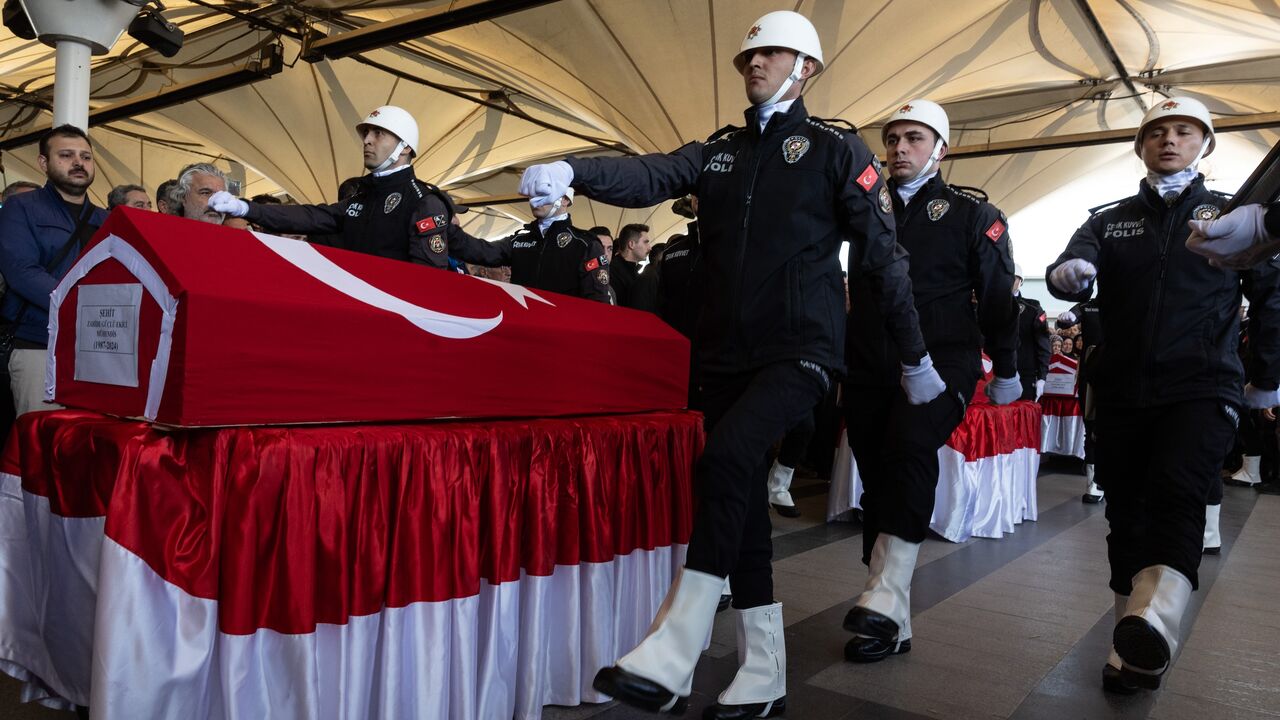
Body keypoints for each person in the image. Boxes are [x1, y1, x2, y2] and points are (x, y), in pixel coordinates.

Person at [520, 11, 943, 718]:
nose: (754, 62)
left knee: (724, 461)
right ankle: (765, 671)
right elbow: (653, 173)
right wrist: (577, 168)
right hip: (723, 356)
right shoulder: (719, 153)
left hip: (800, 348)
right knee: (741, 508)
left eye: (772, 53)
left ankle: (675, 644)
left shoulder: (837, 150)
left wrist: (914, 356)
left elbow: (883, 261)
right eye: (750, 53)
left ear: (805, 67)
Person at [1046, 96, 1280, 694]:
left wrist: (1267, 378)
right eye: (1156, 132)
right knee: (1125, 514)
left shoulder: (1234, 214)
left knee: (1178, 492)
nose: (1169, 140)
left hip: (1203, 383)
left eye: (1184, 131)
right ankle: (1137, 645)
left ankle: (1156, 617)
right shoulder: (1109, 218)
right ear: (1140, 145)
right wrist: (1066, 272)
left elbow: (1271, 293)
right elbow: (1070, 262)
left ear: (1205, 143)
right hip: (1123, 387)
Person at [842, 99, 1020, 664]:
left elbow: (997, 299)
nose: (899, 149)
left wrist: (1009, 369)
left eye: (914, 139)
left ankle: (886, 595)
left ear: (941, 150)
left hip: (945, 361)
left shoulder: (972, 213)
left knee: (910, 450)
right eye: (892, 139)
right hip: (870, 362)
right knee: (877, 479)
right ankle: (890, 617)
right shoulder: (865, 206)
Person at [209, 106, 503, 271]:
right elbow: (312, 216)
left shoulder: (423, 203)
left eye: (378, 133)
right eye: (366, 133)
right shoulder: (362, 195)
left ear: (404, 147)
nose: (367, 140)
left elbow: (427, 280)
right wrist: (247, 208)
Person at [0, 125, 109, 416]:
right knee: (41, 441)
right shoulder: (20, 207)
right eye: (66, 155)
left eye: (86, 157)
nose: (78, 163)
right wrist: (83, 307)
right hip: (39, 344)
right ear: (44, 163)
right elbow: (22, 272)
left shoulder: (107, 219)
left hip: (98, 347)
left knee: (92, 443)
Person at [482, 188, 612, 303]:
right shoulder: (518, 240)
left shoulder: (585, 244)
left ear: (565, 199)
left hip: (563, 328)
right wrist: (460, 236)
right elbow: (481, 251)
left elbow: (598, 304)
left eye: (543, 194)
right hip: (523, 325)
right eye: (532, 195)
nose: (534, 200)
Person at [1060, 301, 1105, 503]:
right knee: (1092, 426)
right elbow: (1069, 318)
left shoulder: (1130, 297)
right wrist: (1067, 317)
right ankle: (1094, 481)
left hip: (1125, 371)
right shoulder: (1088, 307)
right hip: (1092, 372)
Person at [1013, 264, 1050, 400]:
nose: (1010, 281)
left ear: (1021, 281)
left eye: (1014, 278)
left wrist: (1042, 377)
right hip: (995, 373)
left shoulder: (1033, 308)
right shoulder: (990, 306)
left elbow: (1043, 344)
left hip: (1025, 375)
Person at [611, 223, 654, 310]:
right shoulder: (613, 273)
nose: (650, 248)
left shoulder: (630, 271)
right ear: (631, 244)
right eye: (645, 242)